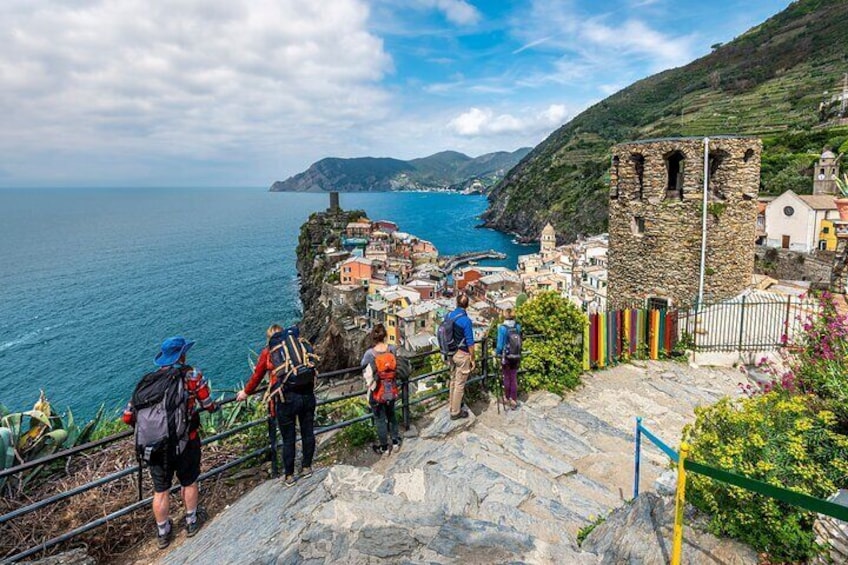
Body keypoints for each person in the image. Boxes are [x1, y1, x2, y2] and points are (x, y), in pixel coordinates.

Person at [123, 336, 217, 549]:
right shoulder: (191, 375)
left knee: (160, 490)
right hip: (186, 441)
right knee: (189, 481)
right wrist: (212, 408)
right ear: (182, 355)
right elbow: (207, 401)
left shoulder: (147, 382)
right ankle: (191, 521)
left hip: (154, 448)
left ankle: (163, 532)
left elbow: (128, 416)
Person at [237, 324, 318, 487]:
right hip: (307, 394)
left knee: (288, 439)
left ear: (270, 338)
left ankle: (289, 476)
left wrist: (245, 392)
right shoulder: (298, 346)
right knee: (307, 432)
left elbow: (257, 376)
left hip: (284, 399)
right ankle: (307, 467)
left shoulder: (269, 352)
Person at [361, 324, 401, 455]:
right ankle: (395, 442)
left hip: (377, 390)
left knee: (379, 419)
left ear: (373, 337)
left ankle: (384, 448)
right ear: (385, 336)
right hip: (391, 388)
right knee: (392, 415)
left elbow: (362, 366)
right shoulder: (392, 349)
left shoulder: (370, 354)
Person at [446, 293, 475, 420]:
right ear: (467, 305)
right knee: (460, 384)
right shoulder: (466, 321)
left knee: (453, 380)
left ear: (456, 303)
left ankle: (452, 404)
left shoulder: (449, 315)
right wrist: (472, 358)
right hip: (462, 354)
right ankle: (455, 412)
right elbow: (470, 342)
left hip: (450, 352)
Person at [496, 309, 522, 410]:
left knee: (506, 377)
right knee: (513, 376)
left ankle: (507, 398)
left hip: (506, 356)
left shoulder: (502, 328)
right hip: (516, 355)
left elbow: (499, 345)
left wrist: (497, 353)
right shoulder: (517, 326)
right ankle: (514, 399)